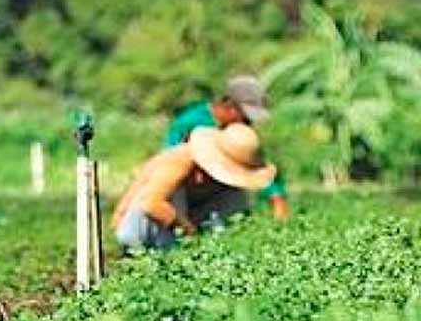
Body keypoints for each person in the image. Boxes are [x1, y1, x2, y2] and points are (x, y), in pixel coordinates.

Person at [112, 123, 277, 251]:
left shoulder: (226, 187)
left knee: (236, 199)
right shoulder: (180, 161)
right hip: (138, 232)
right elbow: (151, 204)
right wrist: (189, 233)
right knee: (174, 194)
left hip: (187, 225)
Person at [165, 75, 290, 221]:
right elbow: (167, 163)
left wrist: (276, 197)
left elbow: (257, 165)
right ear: (229, 105)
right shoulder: (190, 122)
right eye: (245, 116)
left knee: (238, 197)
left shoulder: (239, 132)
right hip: (182, 192)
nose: (247, 123)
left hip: (214, 195)